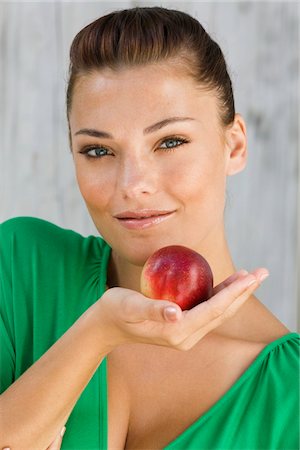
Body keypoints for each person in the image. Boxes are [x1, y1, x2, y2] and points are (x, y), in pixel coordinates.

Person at [0, 6, 299, 450]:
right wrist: (99, 330)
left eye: (170, 142)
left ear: (233, 145)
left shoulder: (289, 396)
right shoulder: (22, 268)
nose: (133, 185)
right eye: (98, 151)